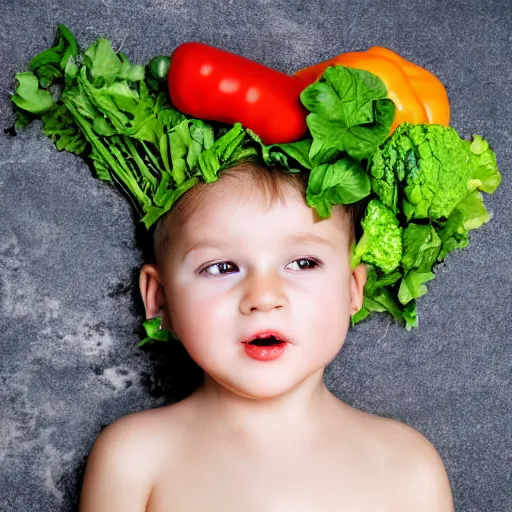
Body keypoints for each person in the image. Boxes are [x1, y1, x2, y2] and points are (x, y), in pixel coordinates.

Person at [78, 160, 455, 511]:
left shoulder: (408, 468)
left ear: (352, 290)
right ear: (160, 299)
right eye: (222, 267)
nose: (264, 297)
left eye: (303, 263)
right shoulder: (135, 458)